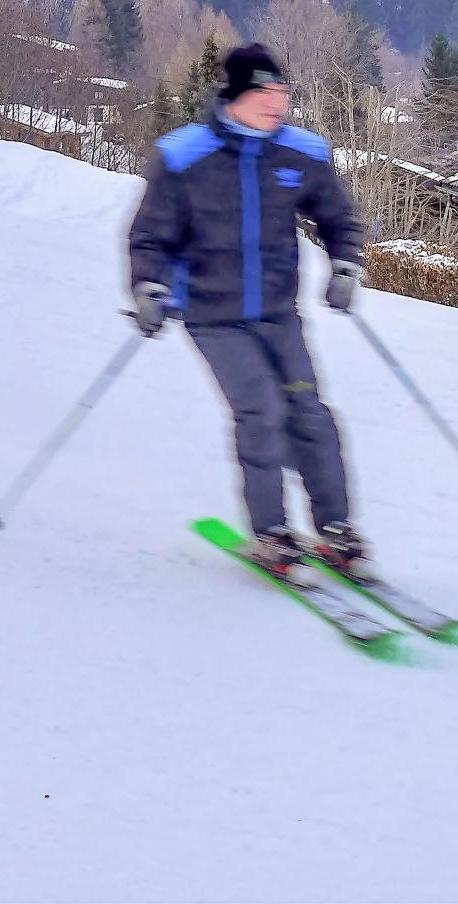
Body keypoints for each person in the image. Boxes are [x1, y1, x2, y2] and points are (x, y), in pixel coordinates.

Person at [127, 43, 370, 579]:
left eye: (281, 92)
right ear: (234, 96)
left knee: (310, 413)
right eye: (264, 93)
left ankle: (334, 529)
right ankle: (271, 534)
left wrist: (347, 267)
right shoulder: (184, 156)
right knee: (261, 412)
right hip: (213, 317)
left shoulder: (300, 153)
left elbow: (339, 218)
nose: (275, 103)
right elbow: (150, 236)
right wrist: (148, 288)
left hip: (279, 313)